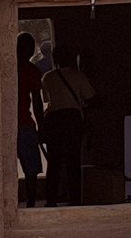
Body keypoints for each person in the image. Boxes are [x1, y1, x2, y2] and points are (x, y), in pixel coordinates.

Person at [41, 46, 94, 207]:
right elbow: (91, 97)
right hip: (72, 118)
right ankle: (75, 197)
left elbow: (46, 99)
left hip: (53, 119)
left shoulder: (47, 77)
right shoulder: (78, 76)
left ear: (55, 59)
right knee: (73, 158)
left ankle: (51, 198)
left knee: (54, 160)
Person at [16, 33, 45, 208]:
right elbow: (37, 102)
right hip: (25, 123)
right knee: (31, 169)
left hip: (9, 124)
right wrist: (41, 126)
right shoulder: (32, 70)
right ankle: (31, 202)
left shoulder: (7, 68)